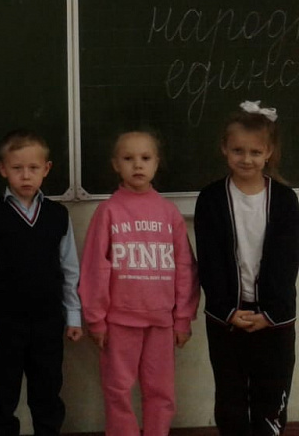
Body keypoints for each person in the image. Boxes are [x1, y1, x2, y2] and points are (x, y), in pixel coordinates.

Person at [79, 129, 199, 436]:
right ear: (115, 165)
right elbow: (94, 268)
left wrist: (183, 318)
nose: (137, 165)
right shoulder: (108, 211)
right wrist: (96, 319)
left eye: (145, 158)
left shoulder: (169, 213)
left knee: (161, 390)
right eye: (128, 158)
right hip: (119, 321)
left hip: (161, 323)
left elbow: (185, 267)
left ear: (157, 163)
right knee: (117, 389)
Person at [194, 101, 299, 436]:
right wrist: (226, 310)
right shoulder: (211, 199)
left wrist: (272, 313)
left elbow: (288, 262)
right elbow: (209, 262)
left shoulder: (285, 200)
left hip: (274, 320)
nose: (246, 159)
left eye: (255, 151)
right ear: (224, 148)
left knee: (271, 397)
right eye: (238, 150)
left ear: (269, 152)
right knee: (231, 399)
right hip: (228, 318)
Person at [0, 130, 82, 436]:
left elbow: (70, 269)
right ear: (2, 169)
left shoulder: (58, 215)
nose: (25, 175)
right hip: (5, 324)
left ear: (46, 169)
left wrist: (73, 314)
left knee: (47, 392)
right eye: (17, 168)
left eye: (33, 168)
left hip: (48, 322)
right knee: (2, 394)